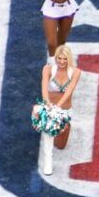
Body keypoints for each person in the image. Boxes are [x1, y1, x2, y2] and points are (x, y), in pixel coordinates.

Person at [36, 45, 81, 175]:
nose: (61, 61)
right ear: (55, 58)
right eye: (59, 58)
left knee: (61, 146)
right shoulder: (48, 69)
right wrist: (47, 104)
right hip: (49, 107)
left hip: (65, 110)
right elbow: (44, 87)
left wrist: (58, 107)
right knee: (49, 133)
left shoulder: (76, 72)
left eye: (64, 59)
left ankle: (61, 128)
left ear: (69, 59)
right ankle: (48, 161)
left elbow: (69, 92)